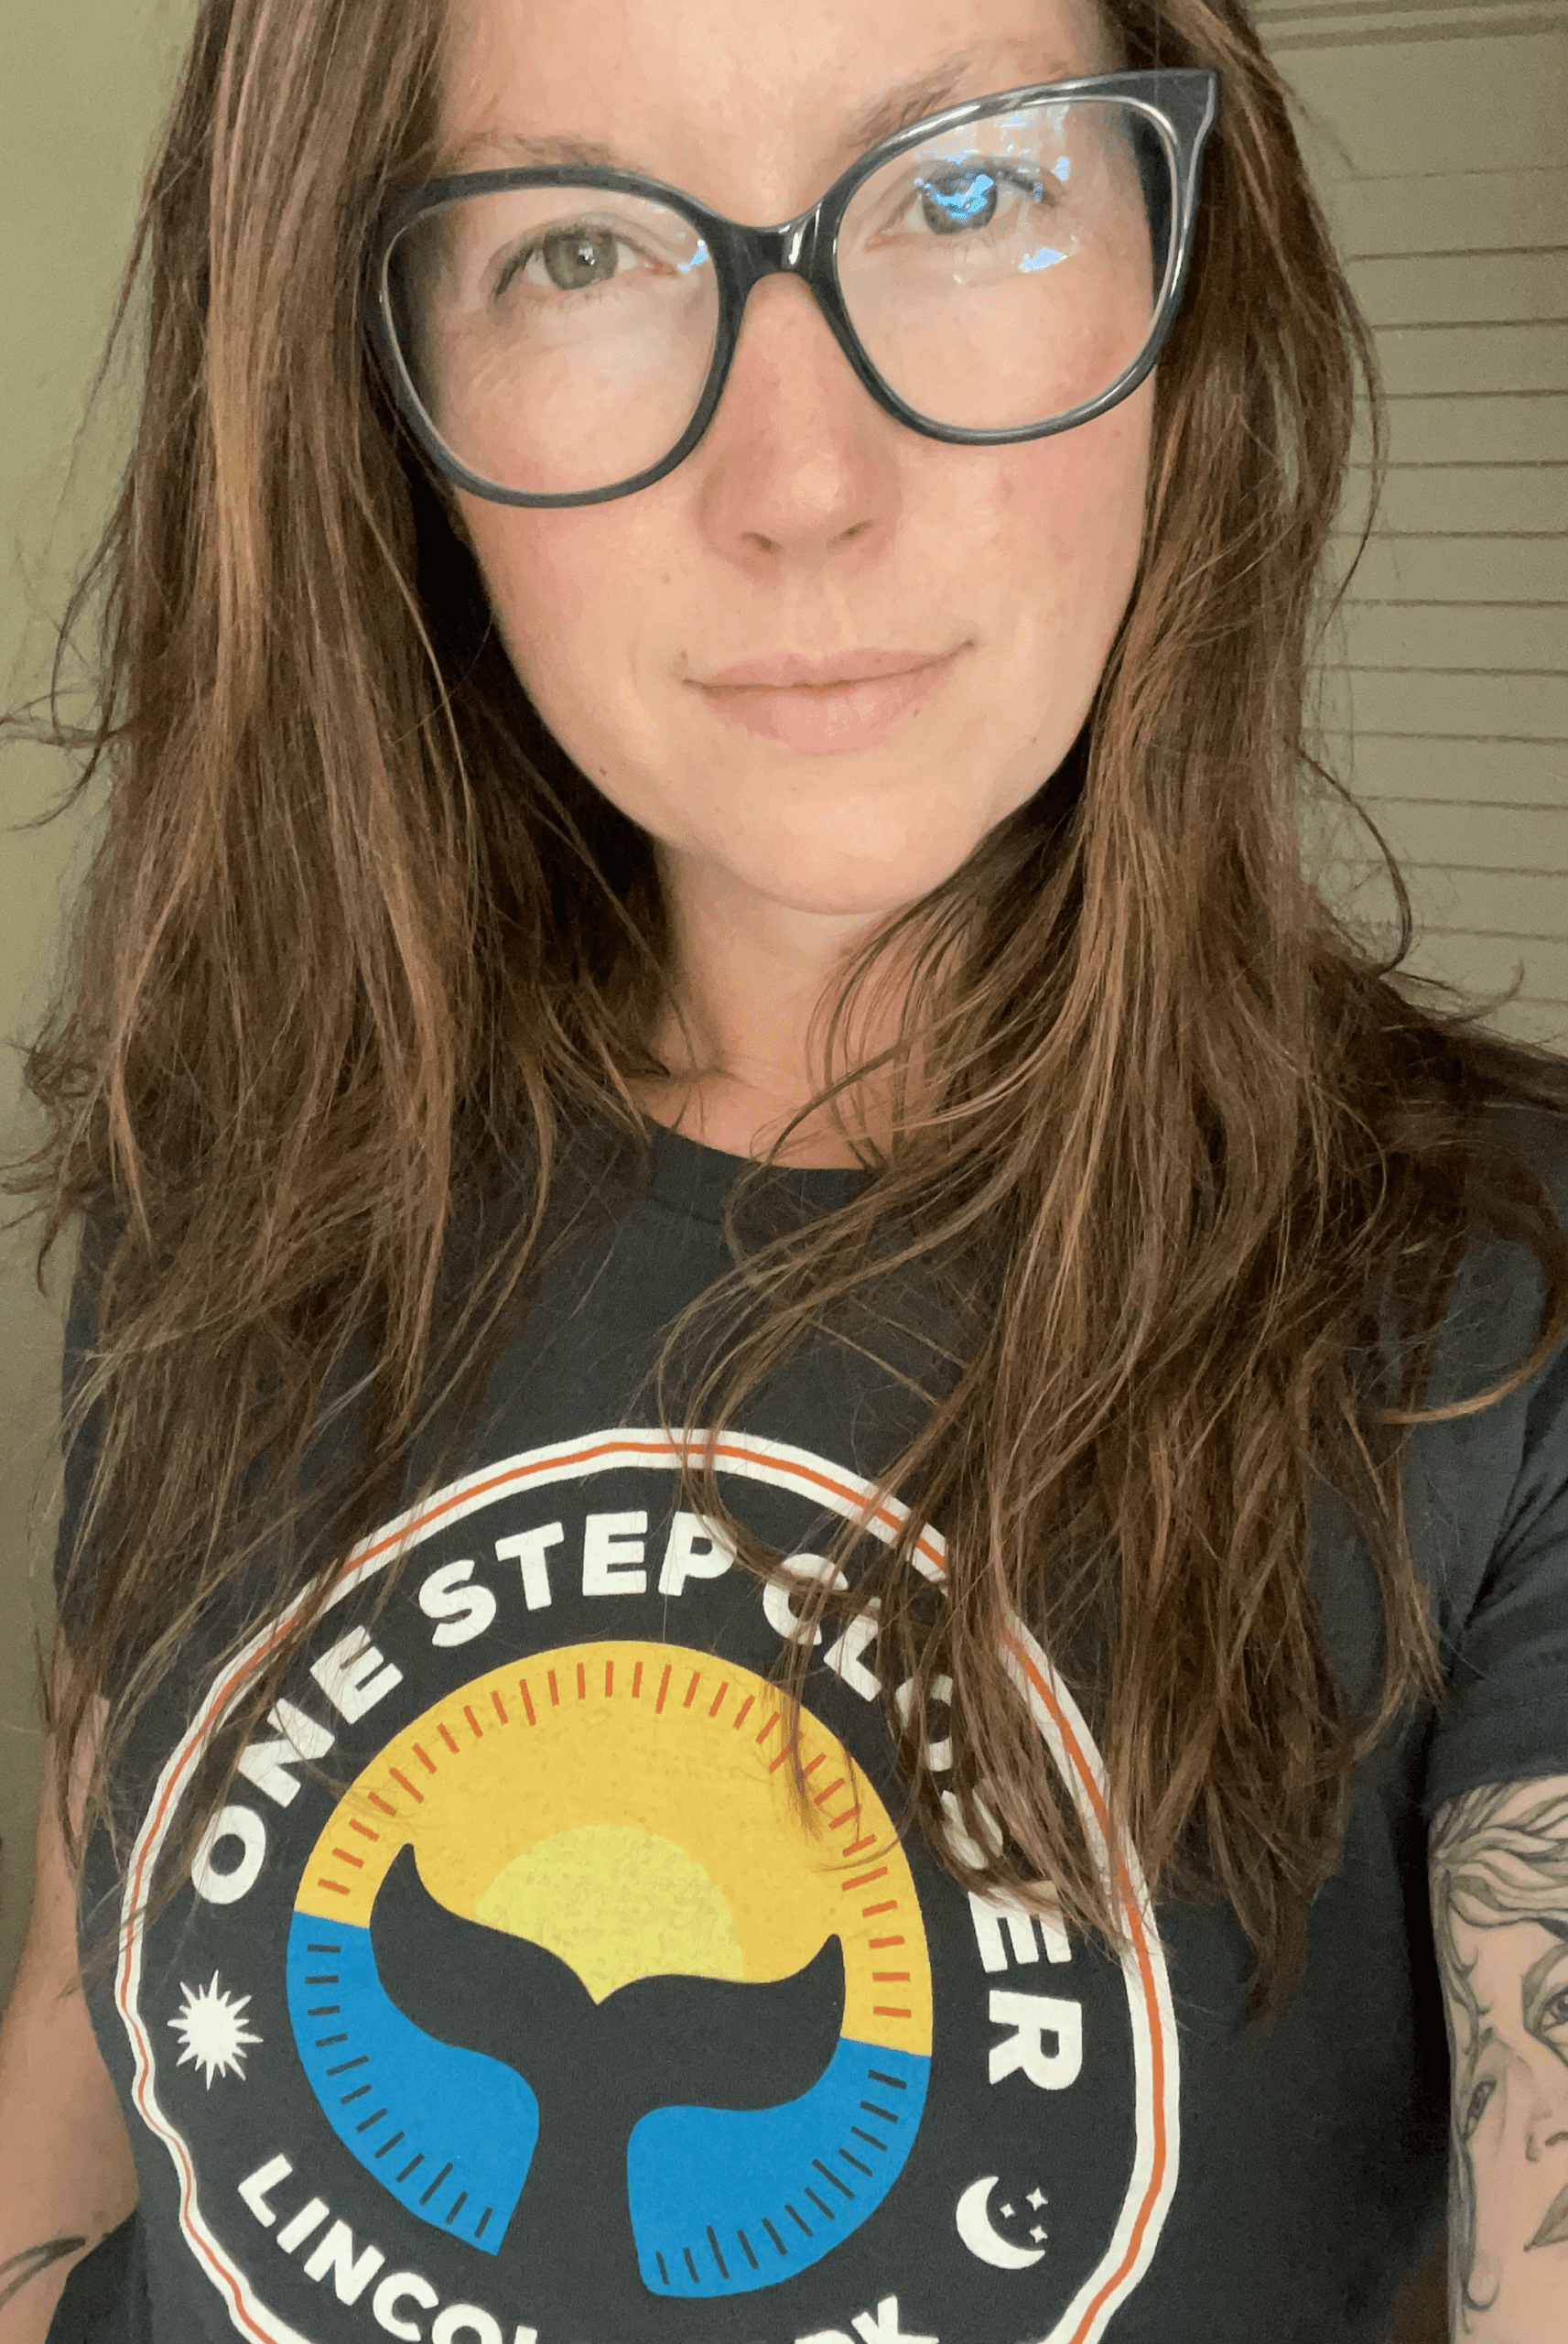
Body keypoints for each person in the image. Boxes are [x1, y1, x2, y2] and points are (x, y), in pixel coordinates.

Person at [1, 0, 1566, 2339]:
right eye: (578, 252)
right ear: (381, 392)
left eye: (967, 189)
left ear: (1187, 266)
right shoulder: (227, 1175)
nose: (802, 478)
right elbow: (83, 2025)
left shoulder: (1501, 1321)